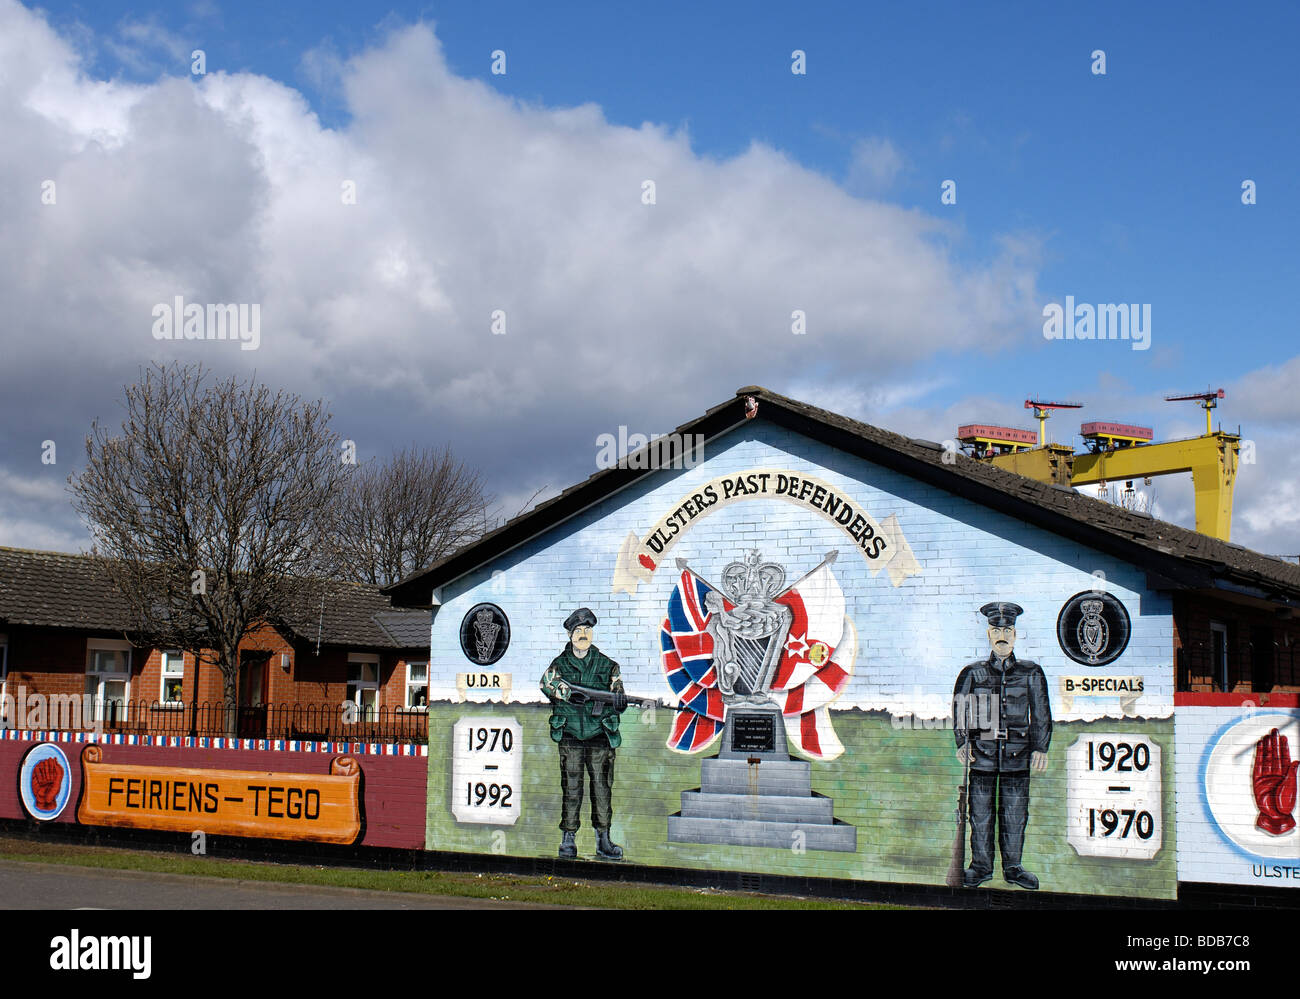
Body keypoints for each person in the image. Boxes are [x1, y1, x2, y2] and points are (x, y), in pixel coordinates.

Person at [953, 601, 1052, 890]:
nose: (1002, 635)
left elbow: (1042, 713)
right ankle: (980, 868)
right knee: (980, 815)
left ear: (1015, 634)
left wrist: (1041, 747)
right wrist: (962, 740)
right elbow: (960, 709)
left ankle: (1013, 868)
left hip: (1018, 757)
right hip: (982, 757)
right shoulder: (973, 673)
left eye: (1007, 629)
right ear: (988, 633)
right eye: (996, 629)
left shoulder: (1031, 672)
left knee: (1014, 815)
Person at [540, 607, 628, 860]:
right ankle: (568, 839)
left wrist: (619, 697)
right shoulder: (560, 664)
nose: (583, 634)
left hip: (600, 734)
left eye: (587, 630)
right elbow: (546, 684)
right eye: (578, 630)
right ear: (570, 635)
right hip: (570, 734)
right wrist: (568, 693)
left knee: (602, 789)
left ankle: (603, 839)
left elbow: (617, 688)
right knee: (572, 787)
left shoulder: (607, 665)